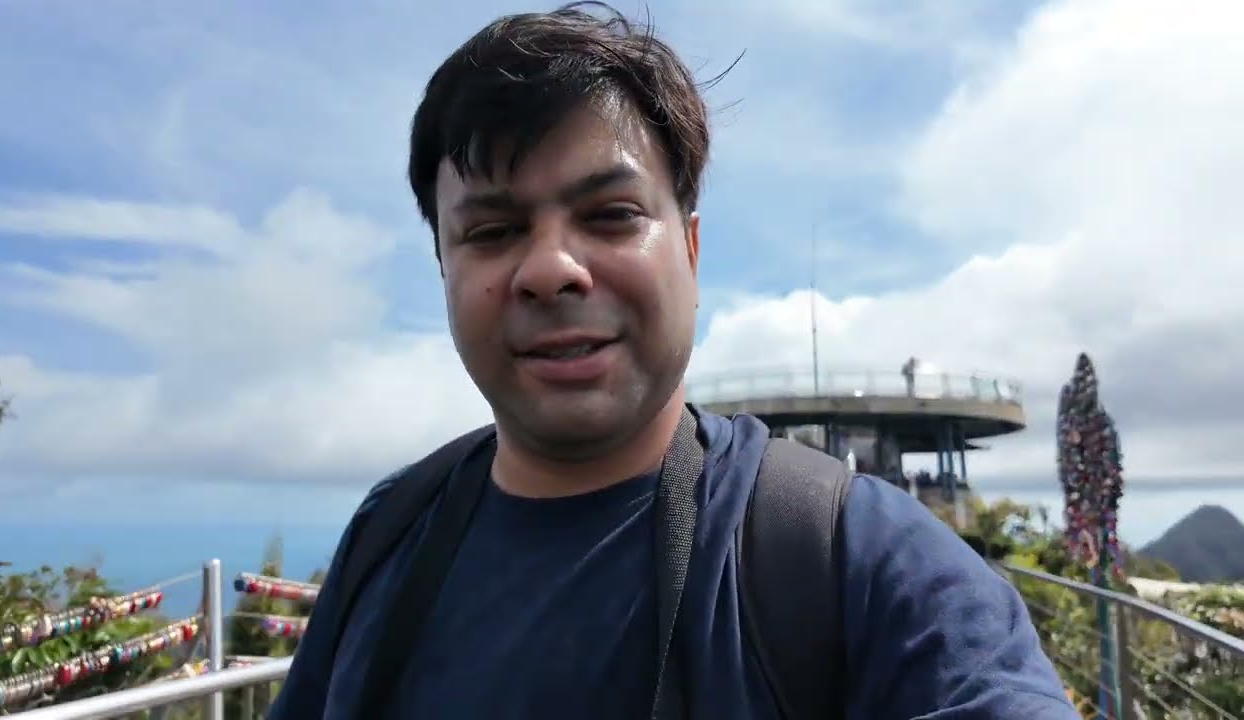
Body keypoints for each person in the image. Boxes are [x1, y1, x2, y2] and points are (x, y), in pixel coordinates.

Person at [268, 3, 1078, 718]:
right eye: (491, 230)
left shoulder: (859, 561)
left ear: (689, 248)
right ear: (446, 267)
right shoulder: (390, 530)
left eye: (611, 214)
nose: (552, 269)